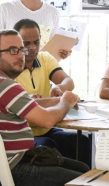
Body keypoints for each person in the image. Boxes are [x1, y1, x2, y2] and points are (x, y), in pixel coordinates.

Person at [0, 29, 89, 186]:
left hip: (19, 158)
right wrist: (65, 102)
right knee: (85, 180)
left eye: (22, 50)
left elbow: (32, 104)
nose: (21, 55)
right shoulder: (6, 86)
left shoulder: (5, 86)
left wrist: (59, 99)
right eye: (13, 51)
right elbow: (47, 120)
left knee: (83, 168)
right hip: (15, 166)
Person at [13, 19, 91, 167]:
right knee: (47, 146)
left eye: (36, 42)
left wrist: (61, 88)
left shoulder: (44, 58)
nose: (32, 47)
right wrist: (59, 101)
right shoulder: (10, 66)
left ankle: (81, 180)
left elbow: (68, 81)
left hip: (46, 128)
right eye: (26, 43)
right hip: (22, 133)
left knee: (81, 141)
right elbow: (24, 104)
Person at [0, 0, 70, 59]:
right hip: (11, 68)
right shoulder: (5, 9)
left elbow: (53, 47)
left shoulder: (53, 13)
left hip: (41, 68)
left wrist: (62, 52)